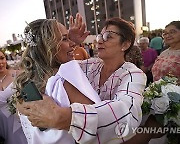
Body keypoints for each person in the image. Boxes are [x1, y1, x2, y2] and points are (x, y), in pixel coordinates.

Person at [17, 17, 147, 143]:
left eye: (108, 36)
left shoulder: (133, 74)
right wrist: (68, 43)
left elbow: (128, 111)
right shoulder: (88, 65)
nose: (100, 41)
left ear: (125, 44)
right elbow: (50, 64)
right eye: (99, 36)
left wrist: (66, 117)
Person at [0, 49, 27, 144]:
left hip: (23, 120)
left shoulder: (17, 74)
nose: (0, 63)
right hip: (3, 126)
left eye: (2, 58)